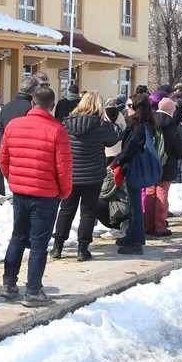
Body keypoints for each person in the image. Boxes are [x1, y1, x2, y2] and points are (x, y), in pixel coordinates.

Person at [0, 85, 73, 306]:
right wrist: (64, 191)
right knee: (39, 244)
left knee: (18, 237)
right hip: (46, 194)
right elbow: (64, 167)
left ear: (32, 103)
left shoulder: (13, 125)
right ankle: (33, 291)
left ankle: (9, 284)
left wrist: (14, 179)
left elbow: (3, 158)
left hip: (21, 191)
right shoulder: (57, 129)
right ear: (52, 106)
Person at [51, 91, 119, 261]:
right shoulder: (103, 126)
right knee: (88, 212)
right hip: (93, 174)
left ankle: (58, 246)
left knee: (66, 210)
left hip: (70, 174)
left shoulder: (66, 123)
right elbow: (112, 141)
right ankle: (82, 249)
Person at [110, 94, 158, 255]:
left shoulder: (140, 127)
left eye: (130, 106)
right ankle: (132, 235)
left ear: (138, 108)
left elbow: (130, 148)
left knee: (135, 206)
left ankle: (136, 242)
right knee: (132, 204)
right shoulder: (141, 124)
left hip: (135, 168)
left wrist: (116, 161)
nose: (127, 109)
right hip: (133, 167)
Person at [145, 97, 182, 237]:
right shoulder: (170, 125)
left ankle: (148, 225)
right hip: (166, 164)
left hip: (150, 163)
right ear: (170, 110)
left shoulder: (149, 122)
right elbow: (179, 147)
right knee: (162, 193)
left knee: (150, 192)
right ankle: (160, 227)